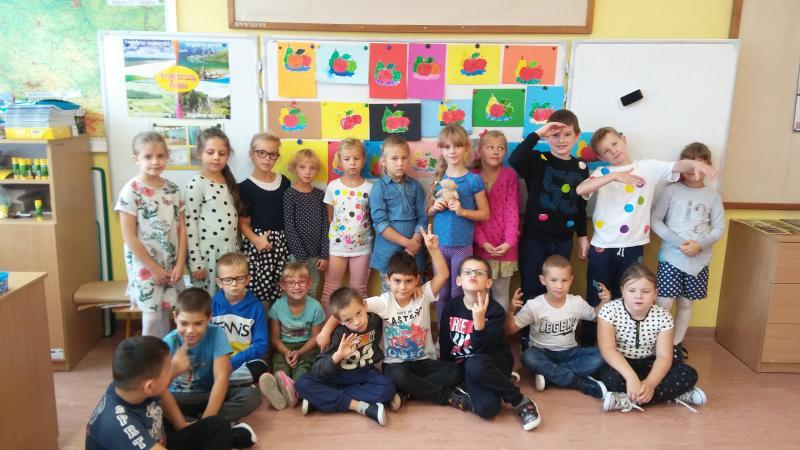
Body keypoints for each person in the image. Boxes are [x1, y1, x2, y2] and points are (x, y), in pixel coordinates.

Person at [575, 126, 719, 345]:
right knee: (598, 295)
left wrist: (696, 164)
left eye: (615, 144)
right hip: (603, 246)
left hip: (634, 245)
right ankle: (589, 343)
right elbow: (581, 190)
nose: (613, 151)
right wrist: (614, 176)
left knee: (630, 296)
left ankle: (624, 343)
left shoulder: (647, 167)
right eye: (606, 151)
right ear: (601, 157)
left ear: (624, 140)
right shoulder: (602, 172)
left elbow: (677, 166)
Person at [318, 225, 466, 411]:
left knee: (456, 372)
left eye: (408, 281)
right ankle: (447, 396)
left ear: (416, 280)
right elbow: (348, 308)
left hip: (423, 360)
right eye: (397, 281)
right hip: (395, 365)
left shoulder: (422, 295)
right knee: (398, 377)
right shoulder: (383, 302)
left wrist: (434, 249)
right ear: (388, 280)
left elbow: (443, 275)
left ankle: (408, 392)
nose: (403, 287)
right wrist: (325, 331)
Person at [85, 336, 257, 449]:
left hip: (157, 439)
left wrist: (182, 426)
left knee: (217, 425)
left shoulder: (130, 385)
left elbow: (162, 392)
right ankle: (234, 438)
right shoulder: (120, 425)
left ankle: (231, 437)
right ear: (149, 386)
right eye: (169, 370)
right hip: (147, 443)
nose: (174, 371)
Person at [439, 256, 541, 431]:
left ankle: (520, 401)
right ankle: (500, 381)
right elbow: (445, 340)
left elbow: (483, 350)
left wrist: (479, 322)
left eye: (479, 273)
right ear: (458, 280)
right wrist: (448, 370)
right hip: (466, 364)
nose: (473, 275)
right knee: (487, 409)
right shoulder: (452, 307)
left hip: (491, 360)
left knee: (476, 363)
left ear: (488, 282)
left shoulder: (495, 311)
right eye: (468, 272)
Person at [596, 264, 707, 413]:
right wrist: (631, 378)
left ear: (655, 293)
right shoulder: (609, 311)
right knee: (608, 377)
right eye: (632, 290)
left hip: (650, 364)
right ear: (622, 291)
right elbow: (608, 350)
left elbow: (664, 356)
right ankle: (671, 395)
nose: (638, 296)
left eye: (645, 291)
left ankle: (627, 399)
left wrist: (651, 383)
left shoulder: (663, 316)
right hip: (622, 364)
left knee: (688, 373)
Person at [651, 142, 724, 360]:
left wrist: (700, 245)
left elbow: (719, 228)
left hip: (699, 260)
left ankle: (675, 344)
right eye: (690, 165)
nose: (695, 170)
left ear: (708, 166)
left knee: (685, 303)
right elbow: (655, 220)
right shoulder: (671, 191)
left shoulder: (713, 196)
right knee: (664, 302)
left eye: (701, 165)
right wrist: (678, 242)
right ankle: (657, 344)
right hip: (671, 258)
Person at [508, 110, 589, 302]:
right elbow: (515, 159)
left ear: (577, 136)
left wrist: (582, 235)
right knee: (531, 286)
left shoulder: (581, 168)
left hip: (564, 240)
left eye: (567, 134)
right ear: (547, 136)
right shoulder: (537, 160)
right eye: (555, 134)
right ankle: (530, 323)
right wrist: (539, 132)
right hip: (534, 239)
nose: (561, 140)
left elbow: (581, 205)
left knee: (558, 288)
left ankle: (553, 322)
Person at [505, 255, 609, 398]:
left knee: (603, 355)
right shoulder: (534, 305)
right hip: (542, 353)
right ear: (543, 280)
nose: (559, 286)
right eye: (553, 280)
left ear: (571, 280)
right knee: (528, 357)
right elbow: (510, 330)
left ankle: (550, 377)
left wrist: (604, 302)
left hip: (571, 353)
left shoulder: (576, 302)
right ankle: (578, 382)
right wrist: (511, 311)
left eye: (564, 280)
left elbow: (595, 317)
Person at [116, 131, 186, 338]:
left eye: (161, 156)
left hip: (170, 263)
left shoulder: (173, 190)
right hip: (145, 265)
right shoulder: (131, 191)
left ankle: (162, 353)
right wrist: (153, 268)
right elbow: (129, 236)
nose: (155, 162)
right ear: (136, 159)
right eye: (148, 156)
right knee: (152, 315)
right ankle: (147, 354)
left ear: (167, 156)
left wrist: (180, 264)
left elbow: (182, 230)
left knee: (166, 310)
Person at [295, 287, 396, 426]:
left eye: (358, 313)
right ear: (340, 321)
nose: (357, 322)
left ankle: (323, 399)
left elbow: (394, 304)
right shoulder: (337, 334)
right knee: (302, 383)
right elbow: (317, 371)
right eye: (348, 320)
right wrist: (337, 355)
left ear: (365, 305)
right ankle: (360, 407)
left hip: (365, 374)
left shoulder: (376, 320)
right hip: (338, 376)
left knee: (387, 388)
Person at [162, 288, 262, 423]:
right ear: (175, 317)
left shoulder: (216, 334)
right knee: (153, 402)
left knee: (251, 396)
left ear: (209, 318)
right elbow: (159, 388)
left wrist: (207, 418)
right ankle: (209, 424)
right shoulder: (169, 342)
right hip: (178, 399)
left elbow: (221, 378)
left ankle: (200, 423)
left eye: (198, 323)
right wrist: (174, 370)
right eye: (184, 323)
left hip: (208, 394)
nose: (190, 331)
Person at [428, 124, 490, 321]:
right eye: (447, 147)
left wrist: (462, 211)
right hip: (439, 246)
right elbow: (427, 211)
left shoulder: (474, 180)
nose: (452, 151)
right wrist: (434, 207)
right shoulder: (438, 178)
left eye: (457, 146)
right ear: (441, 149)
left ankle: (458, 330)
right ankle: (443, 334)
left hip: (462, 247)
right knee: (442, 292)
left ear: (466, 148)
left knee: (458, 291)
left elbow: (485, 214)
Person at [185, 127, 243, 296]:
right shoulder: (197, 183)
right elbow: (190, 223)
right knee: (208, 301)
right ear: (199, 154)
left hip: (229, 252)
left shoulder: (228, 181)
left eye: (222, 153)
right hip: (207, 256)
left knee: (229, 298)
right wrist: (195, 262)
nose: (216, 157)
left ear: (228, 156)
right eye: (210, 152)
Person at [238, 133, 292, 306]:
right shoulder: (244, 187)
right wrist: (256, 240)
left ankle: (276, 323)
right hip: (258, 246)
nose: (267, 158)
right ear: (251, 154)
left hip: (282, 245)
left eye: (272, 154)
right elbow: (242, 222)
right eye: (261, 153)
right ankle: (260, 323)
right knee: (258, 294)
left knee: (281, 291)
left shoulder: (284, 182)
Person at [262, 262, 325, 410]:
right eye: (291, 283)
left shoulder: (315, 307)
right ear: (283, 285)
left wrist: (300, 352)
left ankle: (294, 390)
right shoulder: (277, 306)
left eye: (301, 282)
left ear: (309, 283)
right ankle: (281, 392)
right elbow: (274, 338)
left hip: (307, 347)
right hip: (284, 346)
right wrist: (285, 352)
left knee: (302, 371)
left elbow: (316, 337)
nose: (297, 287)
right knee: (280, 369)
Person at [321, 138, 373, 313]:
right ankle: (326, 326)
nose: (352, 163)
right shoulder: (333, 186)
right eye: (347, 158)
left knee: (359, 290)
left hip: (362, 248)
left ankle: (360, 324)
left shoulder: (370, 188)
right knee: (331, 288)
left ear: (363, 160)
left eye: (356, 158)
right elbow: (330, 217)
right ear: (340, 161)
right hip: (337, 247)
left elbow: (372, 218)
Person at [369, 135, 427, 290]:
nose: (400, 163)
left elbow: (423, 218)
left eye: (404, 158)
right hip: (388, 253)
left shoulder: (415, 186)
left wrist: (415, 242)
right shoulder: (379, 188)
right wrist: (408, 243)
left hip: (415, 253)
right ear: (384, 161)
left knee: (416, 293)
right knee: (391, 296)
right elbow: (380, 224)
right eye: (394, 158)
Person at [472, 130, 519, 312]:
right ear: (480, 151)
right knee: (479, 292)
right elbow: (471, 215)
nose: (495, 151)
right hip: (479, 246)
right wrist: (482, 242)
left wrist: (509, 242)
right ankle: (480, 327)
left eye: (500, 148)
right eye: (490, 147)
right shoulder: (472, 176)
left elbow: (512, 210)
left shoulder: (509, 176)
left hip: (505, 247)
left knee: (500, 292)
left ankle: (499, 329)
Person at [210, 252, 269, 386]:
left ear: (248, 280)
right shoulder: (211, 305)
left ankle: (219, 382)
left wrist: (233, 363)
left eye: (240, 279)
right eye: (228, 279)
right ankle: (226, 382)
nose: (234, 284)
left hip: (244, 361)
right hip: (217, 361)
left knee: (260, 367)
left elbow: (261, 345)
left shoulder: (256, 307)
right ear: (219, 282)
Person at [283, 148, 329, 296]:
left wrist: (324, 255)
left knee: (311, 288)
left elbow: (325, 226)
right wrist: (301, 256)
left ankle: (311, 312)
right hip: (296, 255)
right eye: (302, 167)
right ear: (294, 168)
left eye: (312, 168)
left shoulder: (319, 195)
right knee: (294, 288)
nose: (307, 172)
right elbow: (289, 226)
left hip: (316, 255)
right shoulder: (290, 194)